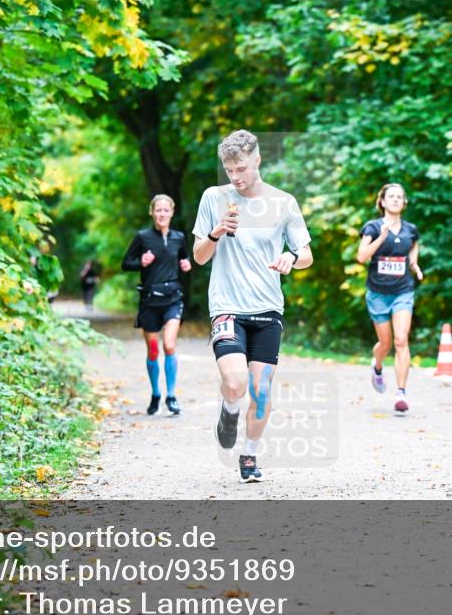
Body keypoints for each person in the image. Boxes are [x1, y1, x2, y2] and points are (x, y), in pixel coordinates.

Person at [192, 130, 313, 483]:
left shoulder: (283, 202)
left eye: (241, 168)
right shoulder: (214, 198)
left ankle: (249, 454)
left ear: (257, 159)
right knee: (234, 382)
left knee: (260, 392)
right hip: (227, 306)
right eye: (229, 170)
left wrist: (292, 258)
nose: (236, 177)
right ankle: (229, 409)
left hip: (267, 308)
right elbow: (199, 258)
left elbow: (306, 254)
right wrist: (215, 233)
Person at [355, 183, 423, 414]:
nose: (395, 200)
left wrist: (413, 262)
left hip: (403, 291)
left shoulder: (410, 229)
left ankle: (401, 393)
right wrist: (381, 237)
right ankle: (378, 366)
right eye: (391, 196)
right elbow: (362, 257)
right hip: (377, 294)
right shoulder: (373, 227)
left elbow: (413, 246)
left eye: (400, 197)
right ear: (382, 201)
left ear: (404, 203)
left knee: (401, 340)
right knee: (384, 343)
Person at [121, 194, 191, 415]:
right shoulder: (142, 237)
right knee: (153, 351)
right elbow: (125, 263)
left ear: (172, 212)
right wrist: (140, 262)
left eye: (166, 210)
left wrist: (186, 263)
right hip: (150, 300)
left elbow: (184, 258)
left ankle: (171, 396)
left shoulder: (179, 237)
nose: (162, 214)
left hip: (172, 298)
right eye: (158, 210)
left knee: (169, 345)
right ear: (151, 212)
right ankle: (156, 393)